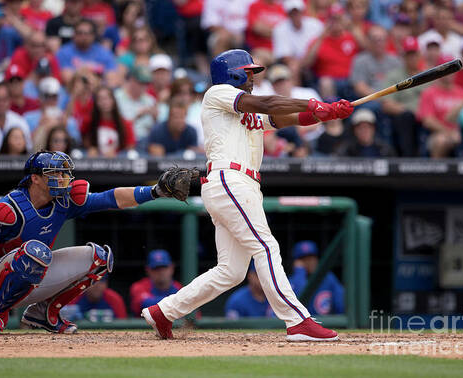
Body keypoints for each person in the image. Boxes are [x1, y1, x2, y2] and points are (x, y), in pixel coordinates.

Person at [141, 49, 353, 342]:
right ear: (234, 73)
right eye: (249, 72)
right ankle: (297, 320)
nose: (253, 77)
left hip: (238, 184)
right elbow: (269, 102)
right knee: (266, 247)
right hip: (230, 179)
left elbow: (285, 118)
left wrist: (327, 113)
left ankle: (164, 312)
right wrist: (315, 102)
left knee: (230, 271)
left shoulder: (248, 111)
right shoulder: (218, 93)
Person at [0, 151, 188, 335]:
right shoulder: (9, 208)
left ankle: (44, 313)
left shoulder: (63, 201)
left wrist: (155, 191)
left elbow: (110, 198)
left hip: (31, 273)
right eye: (54, 174)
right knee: (36, 252)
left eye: (63, 173)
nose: (62, 179)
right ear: (35, 178)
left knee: (100, 257)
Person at [56, 19, 118, 87]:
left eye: (87, 33)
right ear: (74, 35)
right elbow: (68, 79)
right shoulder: (64, 52)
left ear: (93, 36)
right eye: (80, 33)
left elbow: (112, 79)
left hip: (98, 91)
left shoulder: (104, 53)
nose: (83, 37)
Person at [288, 241, 345, 315]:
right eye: (305, 259)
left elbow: (341, 305)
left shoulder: (328, 278)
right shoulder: (291, 281)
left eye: (312, 258)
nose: (310, 262)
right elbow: (297, 306)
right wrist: (300, 273)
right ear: (297, 262)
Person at [25, 77, 81, 151]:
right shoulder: (28, 118)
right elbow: (25, 146)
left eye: (54, 96)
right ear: (40, 97)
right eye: (47, 96)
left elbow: (77, 144)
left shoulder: (67, 119)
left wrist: (64, 128)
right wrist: (39, 127)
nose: (51, 100)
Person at [85, 86, 136, 158]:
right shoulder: (89, 122)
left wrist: (117, 154)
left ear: (113, 100)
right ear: (96, 103)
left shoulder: (126, 124)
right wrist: (92, 150)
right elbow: (86, 143)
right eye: (100, 99)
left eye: (108, 98)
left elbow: (130, 148)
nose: (104, 102)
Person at [130, 249, 182, 317]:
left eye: (164, 267)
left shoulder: (179, 288)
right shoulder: (139, 287)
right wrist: (178, 301)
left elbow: (194, 315)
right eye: (156, 268)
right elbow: (145, 305)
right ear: (148, 270)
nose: (161, 272)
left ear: (172, 268)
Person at [272, 0, 323, 64]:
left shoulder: (316, 24)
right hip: (293, 63)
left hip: (315, 62)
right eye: (292, 13)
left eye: (297, 12)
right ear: (288, 14)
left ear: (302, 12)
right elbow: (285, 56)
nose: (295, 15)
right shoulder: (279, 28)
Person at [114, 65, 157, 142]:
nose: (144, 86)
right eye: (141, 83)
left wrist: (155, 118)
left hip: (146, 141)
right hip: (123, 140)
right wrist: (137, 116)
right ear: (131, 80)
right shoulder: (117, 97)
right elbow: (116, 126)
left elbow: (156, 130)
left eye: (146, 83)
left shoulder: (150, 100)